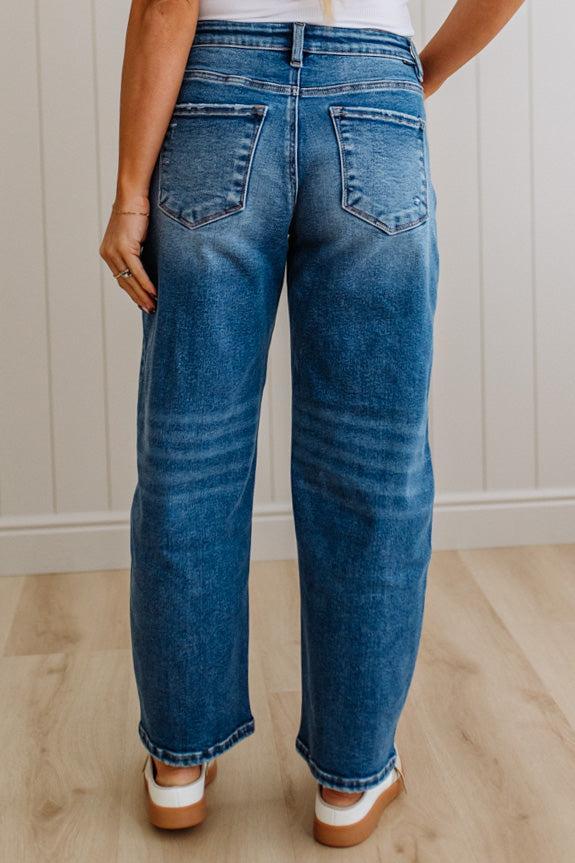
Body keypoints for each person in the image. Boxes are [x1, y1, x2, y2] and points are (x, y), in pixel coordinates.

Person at [100, 0, 525, 848]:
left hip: (218, 98)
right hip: (375, 93)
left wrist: (129, 192)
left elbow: (164, 3)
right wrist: (415, 74)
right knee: (372, 467)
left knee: (192, 458)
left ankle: (178, 767)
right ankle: (350, 778)